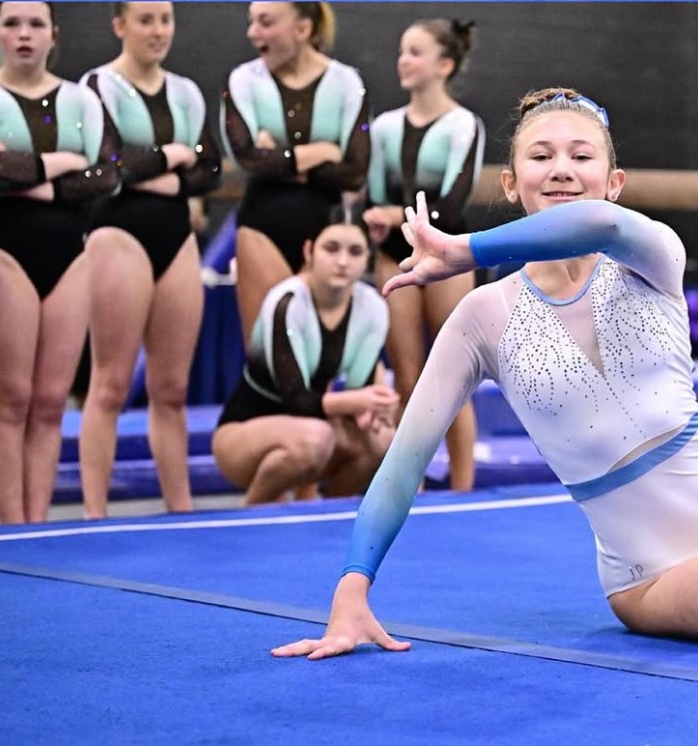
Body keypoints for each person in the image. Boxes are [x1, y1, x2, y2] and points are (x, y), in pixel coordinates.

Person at [272, 88, 698, 659]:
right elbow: (405, 460)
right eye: (541, 156)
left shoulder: (653, 256)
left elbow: (602, 227)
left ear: (614, 183)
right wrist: (352, 587)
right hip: (652, 569)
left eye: (581, 156)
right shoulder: (483, 317)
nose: (561, 169)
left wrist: (467, 249)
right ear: (511, 184)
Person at [77, 1, 222, 519]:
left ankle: (180, 510)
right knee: (111, 384)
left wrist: (159, 171)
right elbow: (110, 164)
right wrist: (174, 157)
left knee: (172, 388)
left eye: (165, 19)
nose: (158, 30)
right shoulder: (98, 86)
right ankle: (94, 513)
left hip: (175, 236)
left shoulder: (185, 92)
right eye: (145, 20)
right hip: (119, 233)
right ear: (120, 26)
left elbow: (210, 170)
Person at [0, 1, 120, 524]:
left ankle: (37, 525)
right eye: (12, 24)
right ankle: (12, 526)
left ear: (54, 35)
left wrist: (29, 176)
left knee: (49, 402)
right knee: (10, 399)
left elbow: (106, 175)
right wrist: (63, 163)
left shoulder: (80, 99)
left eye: (35, 24)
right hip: (3, 252)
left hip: (68, 254)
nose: (24, 34)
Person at [363, 18, 483, 492]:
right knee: (407, 380)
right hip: (395, 254)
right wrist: (379, 219)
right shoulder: (385, 127)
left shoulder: (462, 125)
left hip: (449, 253)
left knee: (453, 380)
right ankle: (406, 488)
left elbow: (451, 205)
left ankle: (463, 487)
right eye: (402, 51)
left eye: (415, 52)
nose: (403, 61)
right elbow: (373, 196)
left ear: (444, 65)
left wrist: (393, 214)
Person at [211, 210, 397, 506]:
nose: (343, 261)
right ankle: (251, 512)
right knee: (315, 438)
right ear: (309, 251)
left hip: (313, 427)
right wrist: (359, 401)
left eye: (355, 251)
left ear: (368, 258)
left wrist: (373, 409)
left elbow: (358, 390)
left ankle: (329, 514)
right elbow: (297, 400)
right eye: (331, 249)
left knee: (382, 439)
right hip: (244, 434)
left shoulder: (372, 307)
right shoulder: (287, 302)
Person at [222, 1, 369, 343]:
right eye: (251, 21)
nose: (252, 33)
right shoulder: (244, 79)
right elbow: (249, 160)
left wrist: (279, 156)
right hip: (263, 226)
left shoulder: (346, 82)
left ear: (302, 29)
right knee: (265, 351)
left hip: (327, 230)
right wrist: (321, 152)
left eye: (265, 22)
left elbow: (355, 172)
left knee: (320, 355)